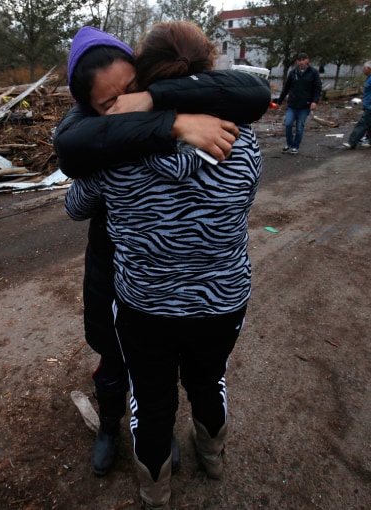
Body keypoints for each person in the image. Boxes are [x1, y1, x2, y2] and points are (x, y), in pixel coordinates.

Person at [55, 26, 271, 479]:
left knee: (151, 402)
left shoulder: (113, 157)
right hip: (222, 298)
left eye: (129, 92)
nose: (120, 107)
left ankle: (155, 494)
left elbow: (75, 206)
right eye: (107, 104)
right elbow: (242, 198)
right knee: (209, 382)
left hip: (146, 306)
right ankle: (212, 458)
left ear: (148, 77)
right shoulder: (245, 140)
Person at [276, 52, 322, 155]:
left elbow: (318, 87)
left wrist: (315, 101)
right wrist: (279, 101)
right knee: (288, 123)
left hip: (304, 105)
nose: (301, 62)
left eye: (303, 60)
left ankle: (296, 146)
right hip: (292, 104)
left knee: (300, 126)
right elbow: (286, 88)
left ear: (307, 60)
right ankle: (289, 143)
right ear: (297, 61)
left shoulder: (313, 72)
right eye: (299, 60)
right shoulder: (293, 73)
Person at [343, 61, 371, 149]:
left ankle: (352, 142)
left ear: (369, 69)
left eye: (364, 69)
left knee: (362, 124)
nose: (363, 71)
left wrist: (369, 101)